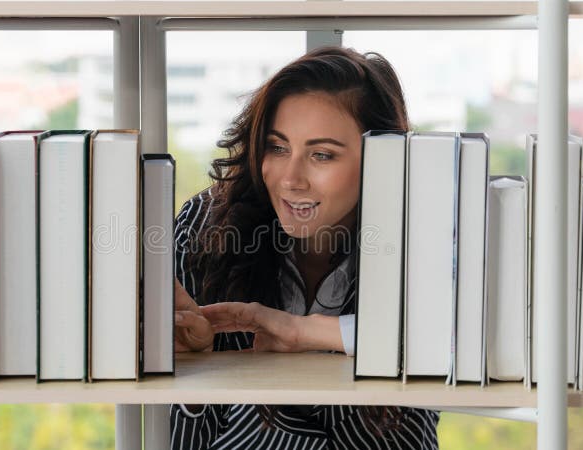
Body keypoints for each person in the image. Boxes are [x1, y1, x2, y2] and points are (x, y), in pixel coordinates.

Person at [170, 46, 439, 449]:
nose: (290, 179)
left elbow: (448, 342)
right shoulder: (206, 225)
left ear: (382, 159)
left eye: (321, 155)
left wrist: (308, 334)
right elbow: (185, 436)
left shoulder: (419, 235)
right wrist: (198, 362)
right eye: (277, 148)